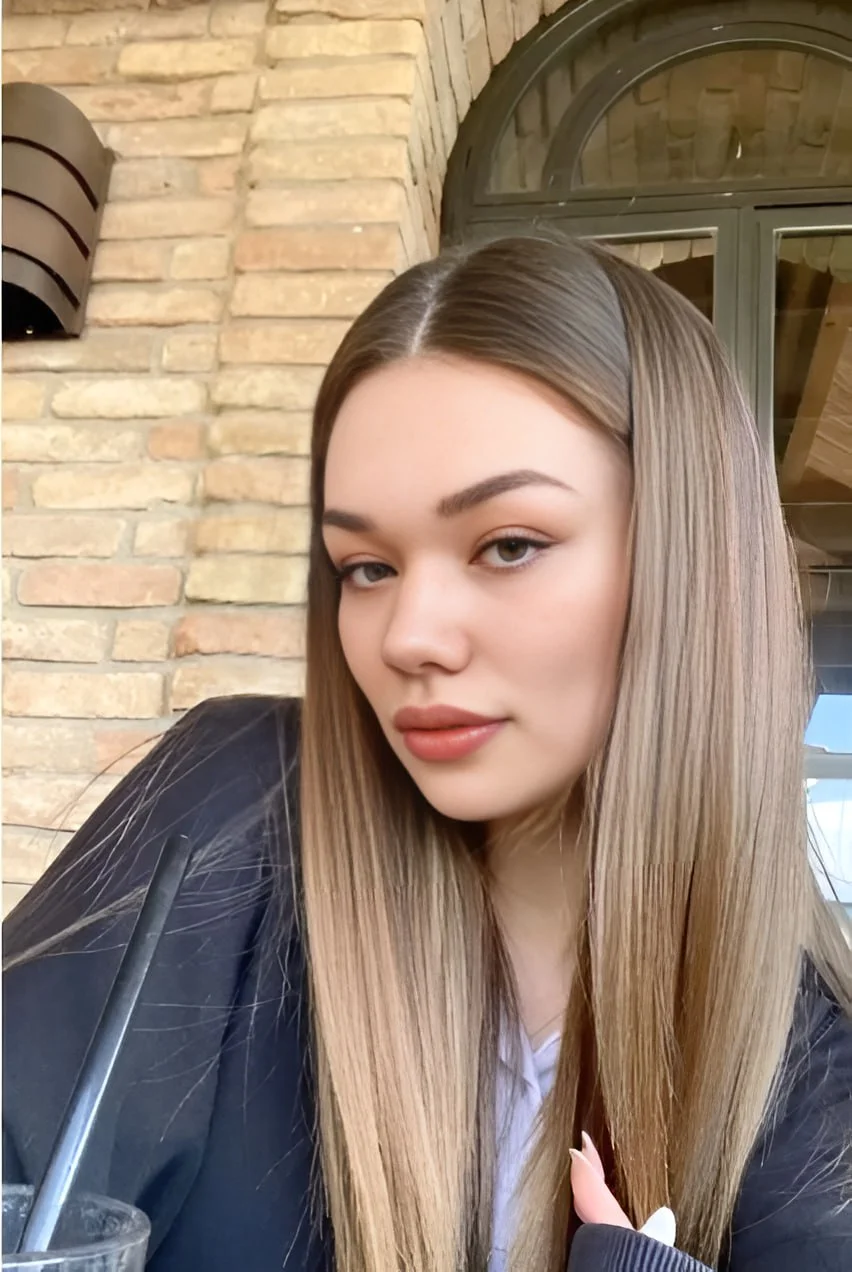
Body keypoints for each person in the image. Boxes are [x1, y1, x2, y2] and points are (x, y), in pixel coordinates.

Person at [3, 235, 851, 1272]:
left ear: (691, 560)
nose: (407, 636)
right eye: (365, 567)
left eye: (509, 545)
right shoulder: (229, 817)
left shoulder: (819, 1086)